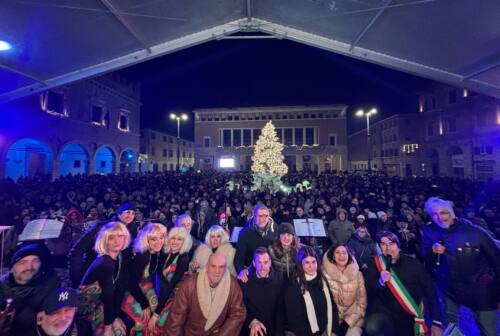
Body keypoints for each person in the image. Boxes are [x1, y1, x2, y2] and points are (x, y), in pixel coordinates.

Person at [422, 197, 499, 336]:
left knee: (488, 330)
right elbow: (425, 256)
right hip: (449, 288)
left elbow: (497, 260)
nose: (439, 217)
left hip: (481, 290)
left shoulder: (475, 232)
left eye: (443, 213)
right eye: (434, 214)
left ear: (451, 213)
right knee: (451, 328)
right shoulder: (429, 231)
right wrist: (431, 251)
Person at [364, 231, 442, 336]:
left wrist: (436, 321)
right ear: (379, 247)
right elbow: (369, 290)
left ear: (398, 245)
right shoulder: (375, 264)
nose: (387, 248)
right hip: (386, 314)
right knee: (372, 325)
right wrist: (380, 282)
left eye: (391, 244)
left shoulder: (413, 264)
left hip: (410, 314)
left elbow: (430, 291)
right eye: (383, 244)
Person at [164, 253, 246, 336]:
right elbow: (175, 318)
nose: (217, 271)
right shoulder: (190, 284)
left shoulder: (233, 285)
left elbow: (238, 314)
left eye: (221, 267)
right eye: (213, 266)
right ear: (207, 267)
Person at [79, 222, 132, 336]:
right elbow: (107, 296)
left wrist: (115, 317)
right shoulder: (105, 262)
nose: (117, 241)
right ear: (105, 241)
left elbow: (115, 289)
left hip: (100, 302)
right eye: (111, 237)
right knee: (116, 332)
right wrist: (109, 326)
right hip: (86, 308)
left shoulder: (118, 256)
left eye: (120, 236)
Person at [69, 201, 137, 287]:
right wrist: (76, 276)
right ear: (119, 214)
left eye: (133, 213)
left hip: (113, 280)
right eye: (127, 212)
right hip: (91, 276)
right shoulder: (101, 227)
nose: (130, 216)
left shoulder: (132, 232)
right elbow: (77, 250)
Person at [0, 244, 60, 334]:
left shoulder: (50, 285)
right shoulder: (2, 287)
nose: (29, 267)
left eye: (36, 261)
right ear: (12, 269)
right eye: (22, 262)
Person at [122, 223, 167, 335]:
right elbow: (131, 283)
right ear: (146, 240)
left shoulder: (159, 253)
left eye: (161, 238)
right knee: (143, 316)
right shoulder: (142, 256)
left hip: (143, 284)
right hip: (128, 288)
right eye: (154, 239)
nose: (159, 242)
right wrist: (143, 303)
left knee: (157, 310)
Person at [284, 245, 339, 336]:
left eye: (314, 262)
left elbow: (333, 306)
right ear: (300, 264)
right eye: (307, 263)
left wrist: (334, 330)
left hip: (325, 330)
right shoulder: (293, 285)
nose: (311, 266)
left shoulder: (322, 279)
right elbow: (295, 320)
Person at [239, 247, 285, 336]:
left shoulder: (279, 278)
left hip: (274, 330)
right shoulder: (244, 281)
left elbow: (281, 309)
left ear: (270, 263)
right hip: (252, 329)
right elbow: (239, 307)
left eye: (265, 262)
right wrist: (250, 321)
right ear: (254, 263)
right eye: (259, 262)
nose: (262, 267)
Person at [322, 245, 366, 336]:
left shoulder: (358, 275)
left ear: (348, 255)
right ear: (333, 256)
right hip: (329, 320)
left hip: (352, 320)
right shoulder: (323, 274)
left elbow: (362, 305)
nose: (341, 256)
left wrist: (346, 323)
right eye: (337, 252)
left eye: (344, 252)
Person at [155, 226, 192, 327]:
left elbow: (171, 285)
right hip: (163, 293)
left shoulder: (183, 258)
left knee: (158, 323)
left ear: (184, 242)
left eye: (179, 239)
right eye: (173, 238)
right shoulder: (167, 253)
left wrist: (156, 313)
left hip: (175, 298)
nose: (175, 242)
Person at [234, 205, 277, 277]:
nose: (263, 219)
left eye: (266, 216)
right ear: (254, 216)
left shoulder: (274, 229)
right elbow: (239, 257)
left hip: (270, 271)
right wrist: (241, 271)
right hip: (251, 271)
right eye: (260, 216)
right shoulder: (245, 232)